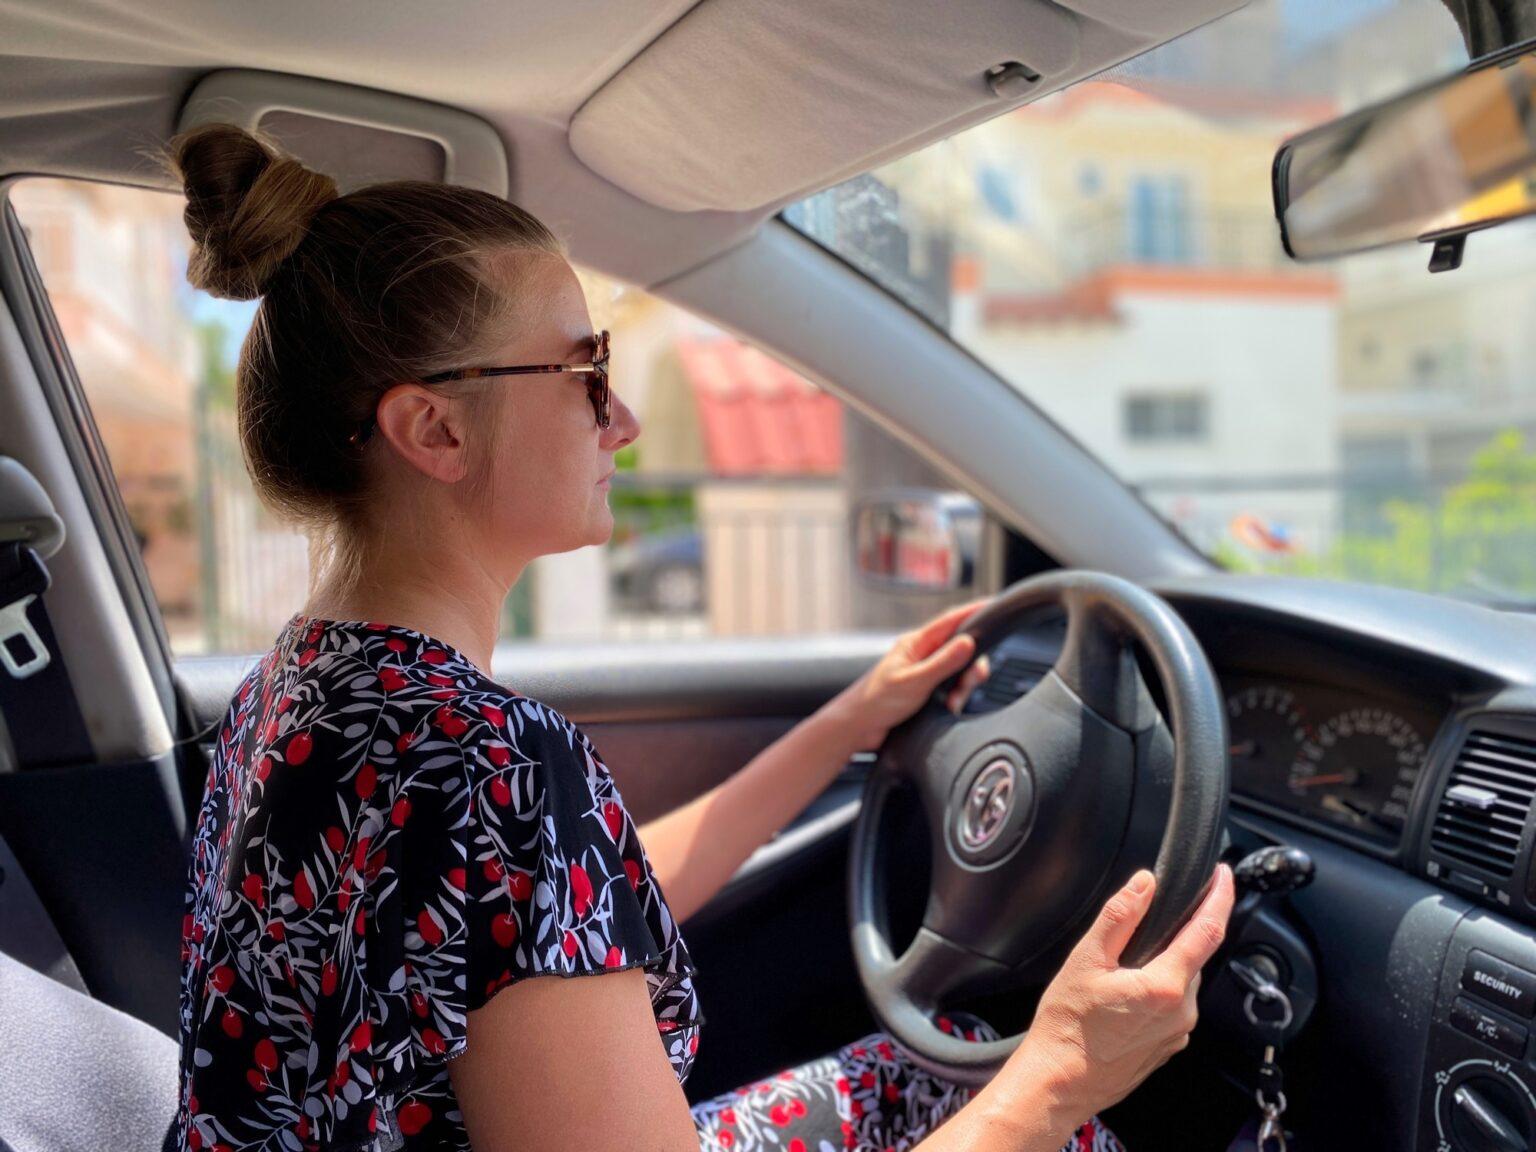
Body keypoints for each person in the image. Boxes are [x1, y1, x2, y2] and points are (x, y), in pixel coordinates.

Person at [164, 122, 1235, 1152]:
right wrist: (1064, 1071)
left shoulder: (300, 687)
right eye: (586, 373)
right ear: (434, 429)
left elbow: (544, 926)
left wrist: (846, 728)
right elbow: (530, 897)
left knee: (936, 1064)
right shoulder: (489, 763)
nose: (621, 419)